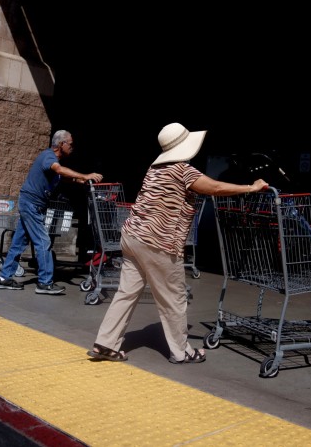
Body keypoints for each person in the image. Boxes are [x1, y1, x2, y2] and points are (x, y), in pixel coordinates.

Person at [87, 122, 268, 364]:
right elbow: (213, 187)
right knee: (174, 298)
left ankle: (106, 343)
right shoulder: (182, 170)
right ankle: (181, 351)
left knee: (126, 293)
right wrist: (251, 187)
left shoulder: (155, 168)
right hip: (159, 242)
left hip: (133, 236)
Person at [0, 130, 104, 294]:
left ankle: (3, 278)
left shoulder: (53, 159)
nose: (72, 147)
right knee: (43, 242)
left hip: (31, 204)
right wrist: (85, 175)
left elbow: (60, 176)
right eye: (70, 144)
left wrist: (77, 179)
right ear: (61, 145)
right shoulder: (49, 157)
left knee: (19, 243)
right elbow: (59, 170)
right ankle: (45, 283)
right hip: (31, 204)